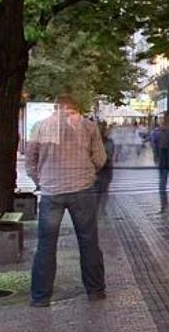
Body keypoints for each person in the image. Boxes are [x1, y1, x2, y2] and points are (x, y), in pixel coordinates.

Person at [25, 93, 108, 306]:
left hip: (51, 191)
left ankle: (40, 297)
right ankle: (95, 290)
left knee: (46, 244)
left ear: (56, 107)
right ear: (75, 107)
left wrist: (41, 180)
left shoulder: (40, 126)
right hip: (82, 189)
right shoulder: (88, 127)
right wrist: (88, 173)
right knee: (88, 241)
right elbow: (100, 159)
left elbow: (30, 160)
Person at [93, 117, 115, 213]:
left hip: (105, 169)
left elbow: (110, 155)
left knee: (103, 189)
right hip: (99, 169)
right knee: (100, 190)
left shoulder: (108, 142)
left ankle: (101, 208)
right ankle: (99, 208)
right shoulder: (94, 141)